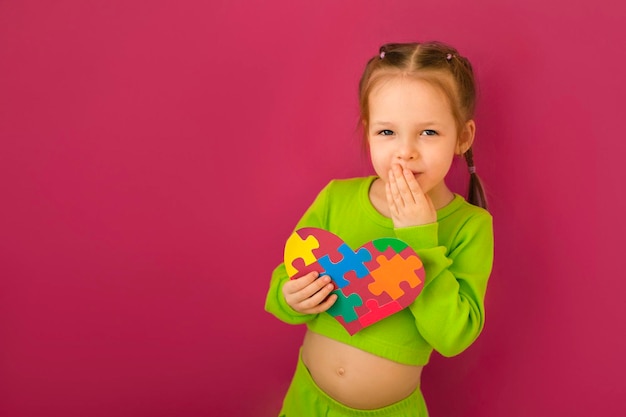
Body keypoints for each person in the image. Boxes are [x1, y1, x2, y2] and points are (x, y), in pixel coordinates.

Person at [265, 41, 494, 417]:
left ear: (463, 137)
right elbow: (283, 282)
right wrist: (289, 299)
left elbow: (454, 336)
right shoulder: (336, 198)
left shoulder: (470, 226)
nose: (405, 151)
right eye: (387, 132)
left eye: (429, 133)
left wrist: (418, 240)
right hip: (305, 401)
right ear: (369, 131)